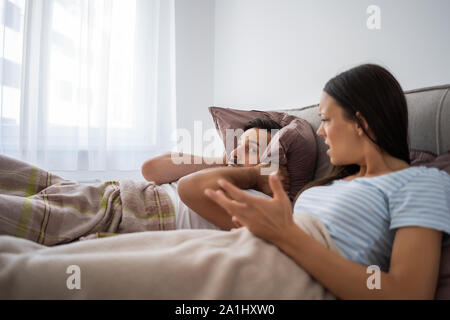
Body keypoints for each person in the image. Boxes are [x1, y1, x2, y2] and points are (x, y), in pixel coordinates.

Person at [177, 64, 450, 299]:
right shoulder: (332, 183)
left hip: (282, 275)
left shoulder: (421, 182)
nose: (319, 131)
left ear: (361, 123)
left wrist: (286, 235)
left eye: (326, 120)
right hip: (248, 251)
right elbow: (188, 187)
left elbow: (407, 293)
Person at [142, 118, 289, 230]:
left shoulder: (258, 200)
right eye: (238, 146)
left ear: (270, 163)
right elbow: (150, 169)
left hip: (138, 214)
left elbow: (187, 187)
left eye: (251, 149)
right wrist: (220, 161)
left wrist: (255, 175)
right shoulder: (220, 169)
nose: (234, 153)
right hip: (129, 195)